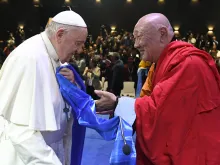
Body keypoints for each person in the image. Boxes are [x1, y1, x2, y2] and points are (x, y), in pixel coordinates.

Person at [95, 13, 220, 165]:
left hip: (193, 153)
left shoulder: (189, 64)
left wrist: (118, 104)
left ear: (162, 34)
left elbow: (161, 111)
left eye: (139, 37)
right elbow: (154, 102)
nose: (135, 44)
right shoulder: (162, 64)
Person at [0, 10, 87, 165]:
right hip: (28, 157)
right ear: (59, 35)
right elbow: (22, 132)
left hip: (51, 149)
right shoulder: (29, 59)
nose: (80, 50)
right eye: (78, 43)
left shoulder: (56, 58)